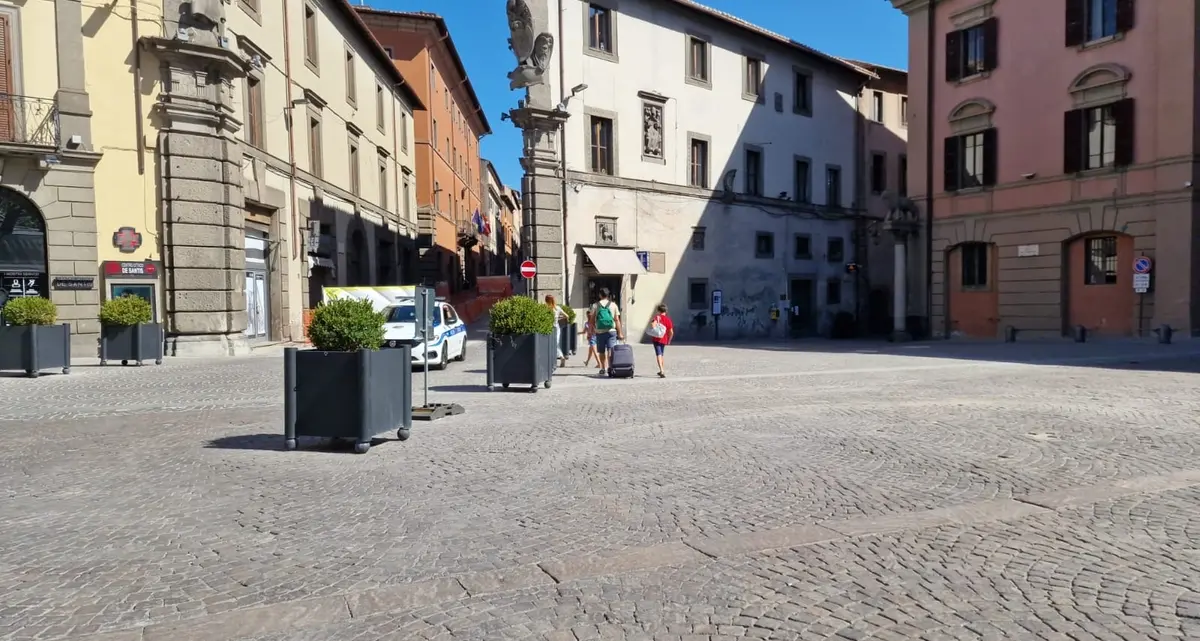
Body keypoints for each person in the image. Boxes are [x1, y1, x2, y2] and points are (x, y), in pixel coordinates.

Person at [587, 287, 623, 376]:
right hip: (611, 331)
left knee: (601, 351)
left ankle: (603, 368)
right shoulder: (613, 305)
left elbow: (591, 320)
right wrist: (620, 333)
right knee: (610, 350)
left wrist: (590, 332)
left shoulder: (595, 305)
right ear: (608, 295)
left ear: (600, 295)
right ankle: (610, 367)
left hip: (599, 331)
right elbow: (617, 320)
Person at [649, 303, 675, 378]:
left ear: (658, 311)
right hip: (664, 339)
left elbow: (653, 325)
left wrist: (655, 326)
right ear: (666, 311)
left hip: (656, 338)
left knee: (658, 354)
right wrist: (669, 340)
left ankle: (662, 370)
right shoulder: (668, 320)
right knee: (661, 354)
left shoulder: (657, 317)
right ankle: (661, 370)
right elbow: (671, 332)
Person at [545, 295, 568, 367]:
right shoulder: (558, 308)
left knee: (549, 344)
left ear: (546, 300)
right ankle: (561, 357)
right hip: (556, 327)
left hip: (549, 327)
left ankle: (556, 359)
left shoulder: (546, 308)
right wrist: (558, 318)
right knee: (556, 343)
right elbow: (567, 316)